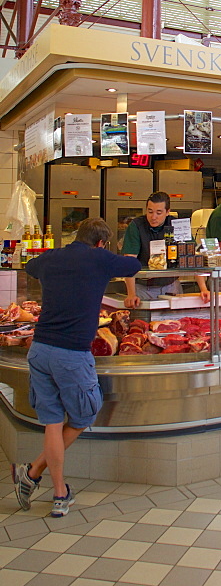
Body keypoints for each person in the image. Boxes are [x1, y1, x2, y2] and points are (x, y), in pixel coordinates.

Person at [11, 218, 141, 517]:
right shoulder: (99, 257)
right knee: (83, 415)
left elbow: (29, 267)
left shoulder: (52, 256)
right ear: (101, 242)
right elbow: (132, 267)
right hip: (71, 354)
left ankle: (54, 491)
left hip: (40, 350)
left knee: (53, 423)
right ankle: (34, 474)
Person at [122, 191, 209, 306]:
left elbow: (191, 256)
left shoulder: (177, 225)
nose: (153, 217)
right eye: (150, 211)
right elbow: (129, 261)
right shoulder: (136, 226)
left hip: (172, 287)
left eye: (159, 212)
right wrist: (131, 294)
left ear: (167, 212)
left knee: (176, 322)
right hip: (143, 289)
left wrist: (203, 288)